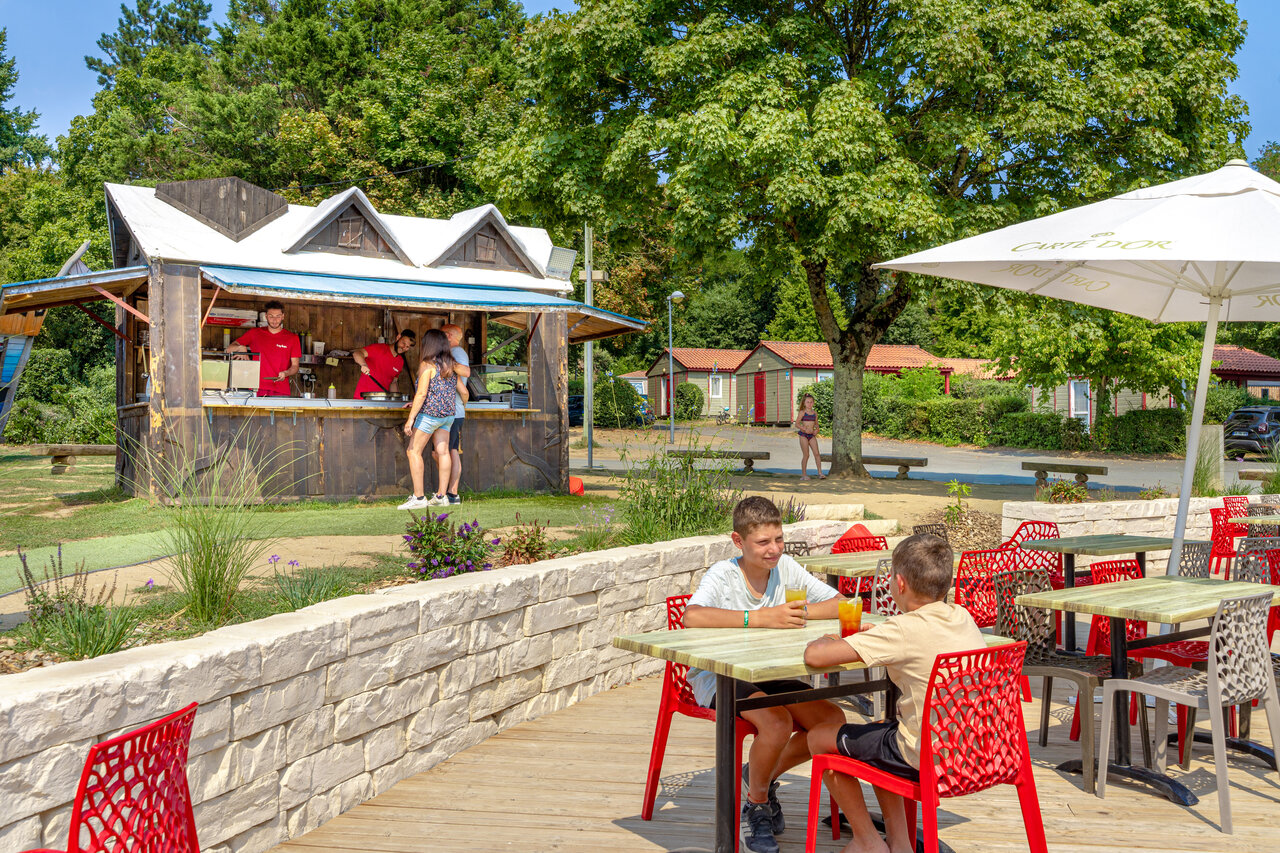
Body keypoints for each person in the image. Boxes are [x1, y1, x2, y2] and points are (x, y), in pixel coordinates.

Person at [684, 496, 847, 853]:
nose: (774, 550)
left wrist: (796, 612)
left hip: (770, 670)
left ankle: (761, 774)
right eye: (763, 542)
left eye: (779, 539)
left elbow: (839, 602)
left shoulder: (786, 567)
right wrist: (758, 617)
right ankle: (757, 804)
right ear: (738, 542)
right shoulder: (724, 574)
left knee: (832, 719)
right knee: (776, 722)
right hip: (719, 675)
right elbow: (691, 616)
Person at [803, 534, 984, 853]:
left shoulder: (901, 630)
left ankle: (867, 840)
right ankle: (899, 843)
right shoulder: (962, 616)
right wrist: (883, 634)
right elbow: (916, 639)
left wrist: (822, 640)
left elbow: (816, 658)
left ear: (899, 583)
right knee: (882, 732)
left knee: (819, 737)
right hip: (974, 751)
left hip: (926, 757)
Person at [399, 329, 468, 510]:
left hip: (429, 415)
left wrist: (410, 419)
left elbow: (422, 394)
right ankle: (441, 496)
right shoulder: (451, 365)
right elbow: (463, 389)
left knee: (413, 451)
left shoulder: (427, 365)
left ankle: (419, 497)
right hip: (447, 416)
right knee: (443, 452)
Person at [228, 300, 300, 396]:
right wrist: (240, 347)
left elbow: (295, 366)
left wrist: (286, 373)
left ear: (283, 316)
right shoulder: (254, 333)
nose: (275, 320)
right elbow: (229, 349)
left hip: (281, 389)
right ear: (266, 316)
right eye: (271, 316)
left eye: (278, 316)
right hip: (256, 388)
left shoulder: (292, 338)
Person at [440, 324, 471, 504]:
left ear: (448, 335)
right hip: (453, 410)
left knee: (446, 452)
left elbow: (464, 374)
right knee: (450, 451)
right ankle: (451, 493)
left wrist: (461, 404)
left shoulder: (457, 352)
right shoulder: (454, 353)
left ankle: (450, 492)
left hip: (453, 411)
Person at [354, 329, 416, 398]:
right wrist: (363, 364)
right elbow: (357, 353)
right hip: (363, 399)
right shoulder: (378, 348)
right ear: (398, 337)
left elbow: (393, 382)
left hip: (382, 402)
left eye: (407, 347)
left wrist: (397, 400)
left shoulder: (400, 362)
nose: (404, 348)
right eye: (403, 343)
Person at [794, 393, 825, 479]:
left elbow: (816, 424)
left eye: (811, 402)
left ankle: (820, 473)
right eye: (807, 402)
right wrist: (803, 429)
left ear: (813, 403)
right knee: (806, 455)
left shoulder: (814, 413)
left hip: (811, 436)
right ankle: (804, 475)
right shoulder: (802, 412)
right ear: (804, 403)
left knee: (817, 454)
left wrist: (816, 430)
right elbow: (796, 424)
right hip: (803, 435)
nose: (809, 404)